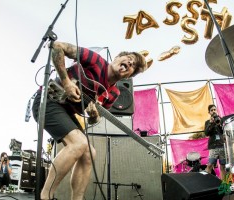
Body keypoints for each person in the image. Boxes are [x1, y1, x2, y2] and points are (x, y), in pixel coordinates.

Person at [32, 41, 150, 200]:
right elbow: (58, 46)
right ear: (117, 57)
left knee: (89, 153)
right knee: (78, 144)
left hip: (66, 112)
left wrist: (94, 115)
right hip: (48, 100)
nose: (129, 63)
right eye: (128, 58)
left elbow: (95, 120)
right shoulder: (96, 61)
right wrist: (66, 82)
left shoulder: (113, 93)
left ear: (128, 76)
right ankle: (46, 196)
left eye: (133, 66)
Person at [204, 104, 226, 180]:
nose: (213, 111)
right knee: (210, 165)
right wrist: (211, 123)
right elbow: (206, 133)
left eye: (214, 109)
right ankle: (207, 184)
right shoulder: (207, 122)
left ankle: (223, 184)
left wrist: (220, 124)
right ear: (209, 112)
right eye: (211, 110)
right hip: (213, 147)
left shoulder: (221, 120)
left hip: (222, 146)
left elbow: (223, 131)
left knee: (223, 166)